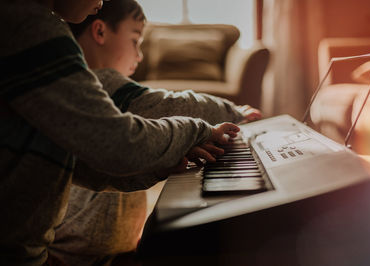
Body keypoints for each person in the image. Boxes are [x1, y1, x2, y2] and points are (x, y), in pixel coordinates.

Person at [0, 0, 241, 265]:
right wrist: (203, 127)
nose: (102, 2)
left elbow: (80, 161)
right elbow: (117, 143)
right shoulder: (30, 27)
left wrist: (163, 164)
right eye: (135, 42)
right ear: (100, 32)